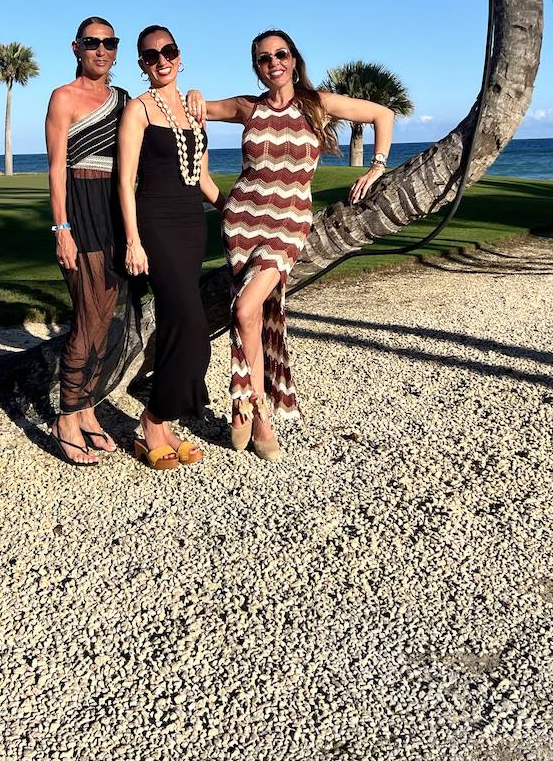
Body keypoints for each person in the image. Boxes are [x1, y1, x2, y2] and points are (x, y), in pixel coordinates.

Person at [196, 29, 394, 461]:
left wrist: (377, 167)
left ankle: (248, 401)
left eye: (280, 54)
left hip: (288, 223)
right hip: (242, 221)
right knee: (252, 313)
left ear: (293, 58)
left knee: (246, 309)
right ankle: (256, 412)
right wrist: (207, 179)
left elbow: (383, 114)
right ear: (257, 67)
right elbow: (194, 113)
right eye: (264, 58)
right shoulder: (247, 107)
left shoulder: (317, 104)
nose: (273, 63)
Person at [117, 25, 224, 471]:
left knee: (188, 327)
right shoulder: (138, 110)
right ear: (141, 64)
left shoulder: (195, 109)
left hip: (191, 225)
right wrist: (133, 241)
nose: (161, 59)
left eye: (168, 51)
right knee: (191, 326)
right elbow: (124, 180)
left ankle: (160, 423)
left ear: (181, 56)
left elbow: (201, 178)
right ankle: (154, 417)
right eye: (150, 55)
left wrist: (234, 209)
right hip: (155, 224)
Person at [44, 16, 135, 465]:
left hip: (114, 212)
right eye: (92, 42)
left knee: (105, 316)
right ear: (76, 47)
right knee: (86, 314)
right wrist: (61, 229)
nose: (101, 49)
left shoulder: (123, 101)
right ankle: (66, 414)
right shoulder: (63, 98)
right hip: (80, 208)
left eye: (109, 42)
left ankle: (87, 408)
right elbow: (56, 168)